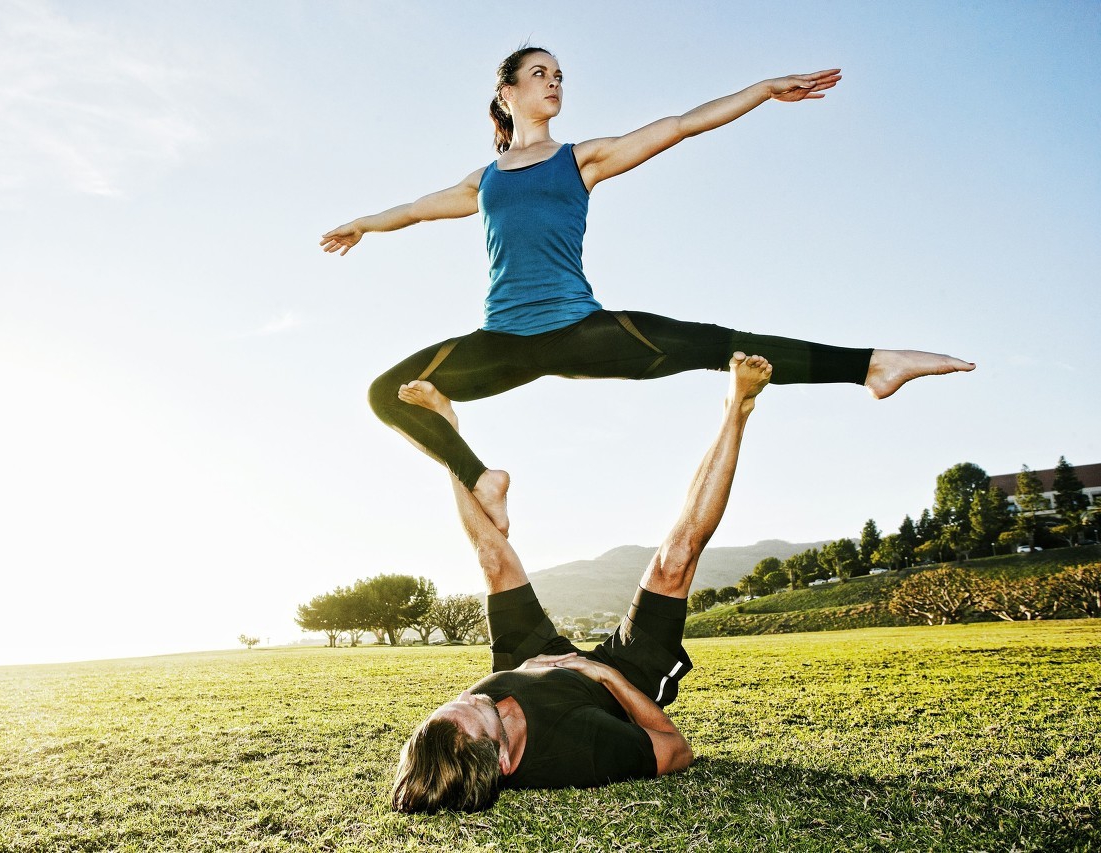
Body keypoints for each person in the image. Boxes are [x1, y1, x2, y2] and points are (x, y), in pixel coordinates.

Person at [320, 46, 973, 535]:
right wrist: (363, 225)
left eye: (560, 76)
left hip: (582, 331)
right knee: (385, 394)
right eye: (541, 74)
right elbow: (412, 208)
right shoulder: (483, 180)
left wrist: (765, 89)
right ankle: (481, 477)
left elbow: (681, 124)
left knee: (718, 345)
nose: (555, 83)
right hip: (503, 344)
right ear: (507, 91)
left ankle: (872, 366)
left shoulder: (583, 158)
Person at [389, 352, 774, 813]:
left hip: (535, 660)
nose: (471, 695)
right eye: (474, 709)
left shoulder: (462, 727)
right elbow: (677, 749)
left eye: (455, 702)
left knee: (493, 561)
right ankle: (738, 407)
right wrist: (605, 673)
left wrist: (526, 672)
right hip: (614, 684)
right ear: (505, 757)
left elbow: (468, 713)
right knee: (675, 560)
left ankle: (446, 432)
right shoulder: (579, 751)